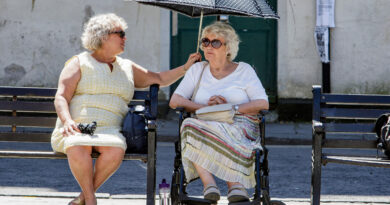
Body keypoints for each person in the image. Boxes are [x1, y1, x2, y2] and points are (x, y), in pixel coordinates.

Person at [51, 13, 201, 205]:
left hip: (110, 130)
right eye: (120, 34)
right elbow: (62, 96)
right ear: (103, 36)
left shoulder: (127, 67)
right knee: (78, 145)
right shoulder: (79, 62)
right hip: (77, 126)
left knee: (115, 151)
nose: (125, 38)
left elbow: (160, 79)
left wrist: (186, 67)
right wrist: (67, 121)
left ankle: (84, 197)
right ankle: (90, 200)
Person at [169, 21, 269, 203]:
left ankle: (235, 185)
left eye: (216, 43)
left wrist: (230, 108)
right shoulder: (198, 69)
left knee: (224, 129)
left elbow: (263, 103)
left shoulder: (244, 70)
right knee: (188, 125)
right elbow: (175, 100)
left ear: (228, 48)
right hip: (205, 123)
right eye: (205, 41)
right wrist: (207, 109)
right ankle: (209, 185)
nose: (209, 46)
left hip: (239, 123)